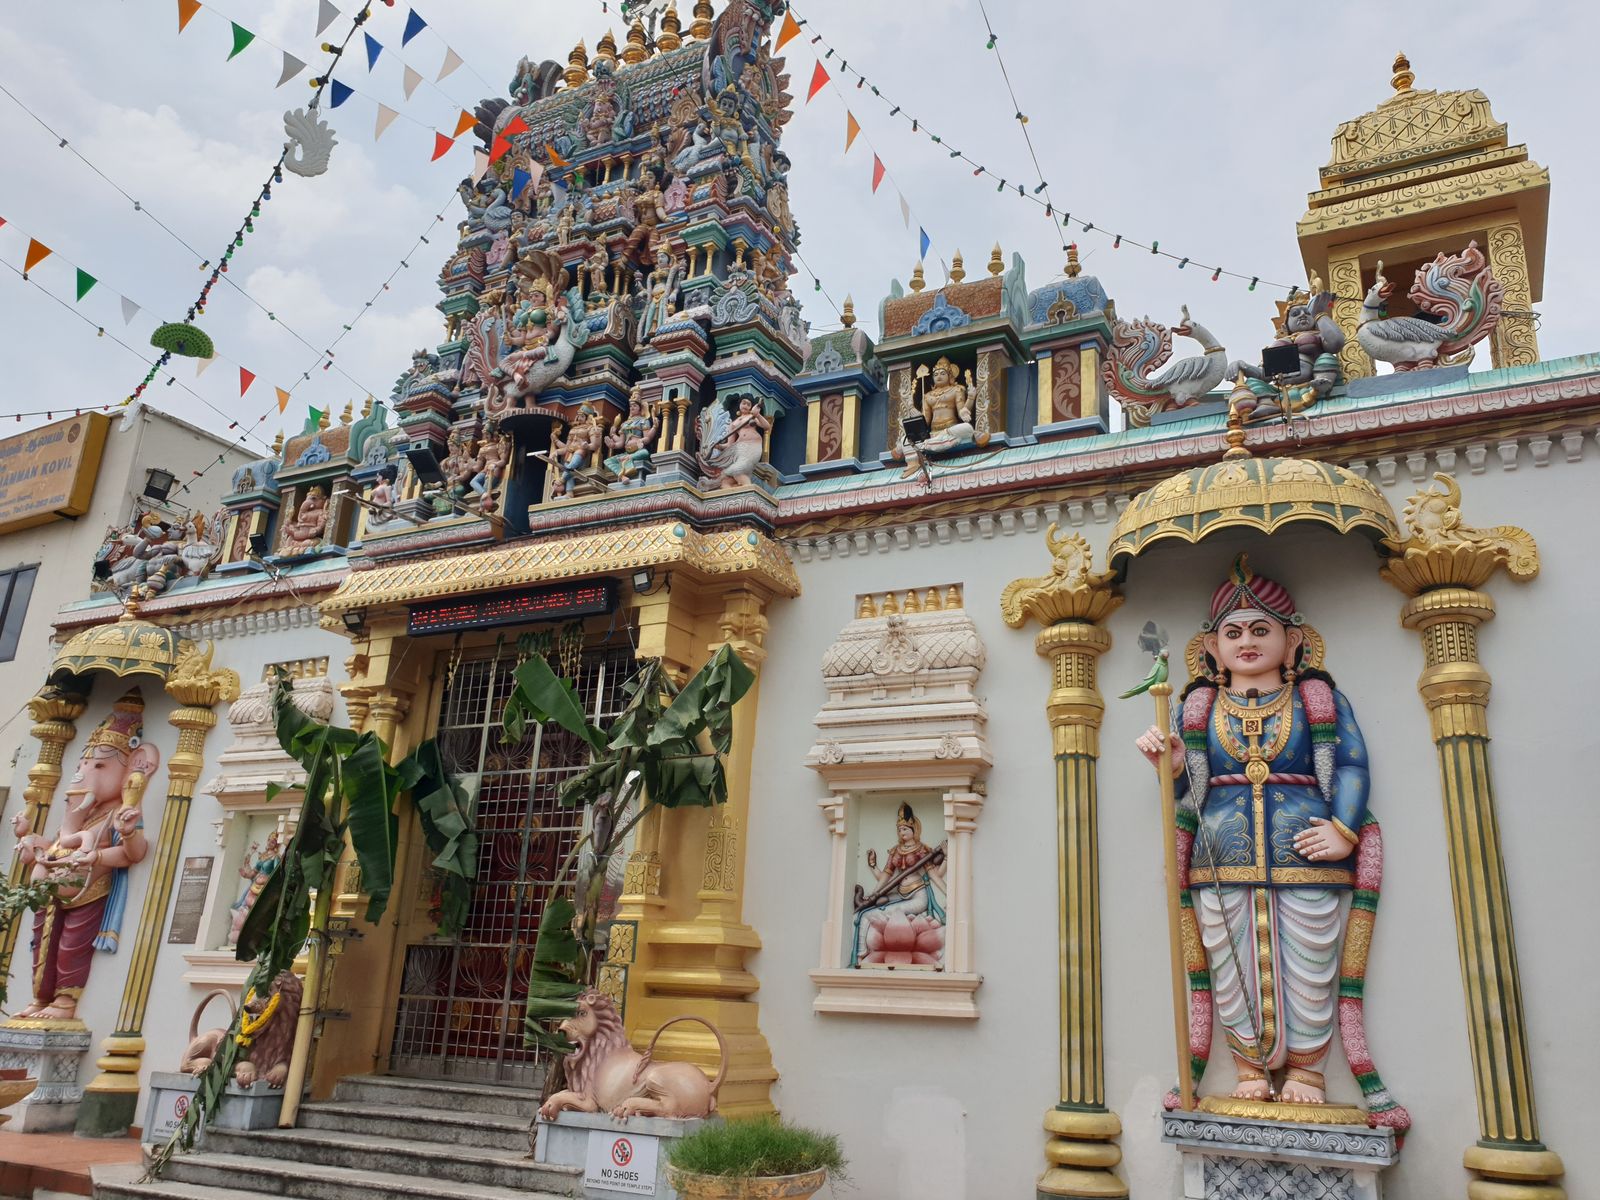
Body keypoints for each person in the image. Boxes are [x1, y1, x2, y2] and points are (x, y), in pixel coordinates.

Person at [1136, 555, 1367, 1105]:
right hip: (1221, 853)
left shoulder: (1317, 701)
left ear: (1293, 642)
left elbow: (1352, 764)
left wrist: (1344, 829)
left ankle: (1307, 1073)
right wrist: (1171, 765)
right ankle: (1250, 1068)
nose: (1247, 642)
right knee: (1230, 960)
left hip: (1305, 847)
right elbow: (1188, 789)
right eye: (1233, 632)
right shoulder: (1198, 709)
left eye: (1261, 630)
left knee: (1311, 961)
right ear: (1212, 647)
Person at [850, 803, 947, 967]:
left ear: (914, 830)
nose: (902, 832)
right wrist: (873, 876)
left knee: (871, 915)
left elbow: (934, 875)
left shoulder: (921, 850)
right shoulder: (895, 850)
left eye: (905, 829)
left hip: (918, 897)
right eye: (900, 829)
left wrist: (949, 892)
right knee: (865, 913)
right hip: (899, 894)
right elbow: (886, 877)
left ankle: (861, 955)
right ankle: (861, 956)